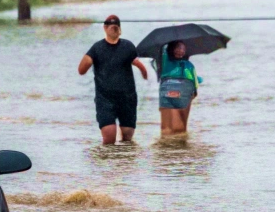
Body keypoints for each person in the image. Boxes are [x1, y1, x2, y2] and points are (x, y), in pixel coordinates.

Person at [77, 15, 148, 144]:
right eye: (111, 27)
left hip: (127, 98)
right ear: (105, 28)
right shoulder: (97, 48)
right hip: (105, 99)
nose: (114, 30)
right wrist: (88, 60)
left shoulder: (128, 46)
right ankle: (107, 163)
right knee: (109, 138)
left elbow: (138, 64)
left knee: (127, 140)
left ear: (120, 29)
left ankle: (122, 163)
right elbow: (81, 70)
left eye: (116, 27)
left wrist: (144, 72)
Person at [157, 40, 201, 139]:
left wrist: (194, 91)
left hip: (187, 94)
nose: (180, 51)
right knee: (174, 127)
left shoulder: (188, 64)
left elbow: (194, 79)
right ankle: (171, 148)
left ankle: (182, 149)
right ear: (171, 49)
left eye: (183, 48)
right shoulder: (165, 62)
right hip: (171, 93)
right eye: (177, 48)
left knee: (183, 127)